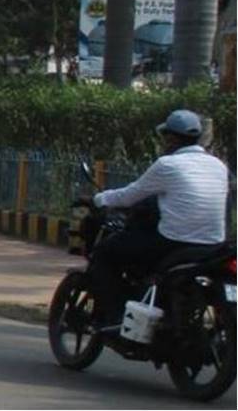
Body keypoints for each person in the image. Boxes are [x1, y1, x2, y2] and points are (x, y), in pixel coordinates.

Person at [86, 110, 230, 330]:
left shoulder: (167, 165)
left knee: (105, 252)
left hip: (174, 243)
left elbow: (129, 195)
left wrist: (98, 200)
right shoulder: (218, 166)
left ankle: (116, 316)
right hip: (213, 246)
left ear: (171, 138)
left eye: (165, 137)